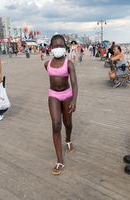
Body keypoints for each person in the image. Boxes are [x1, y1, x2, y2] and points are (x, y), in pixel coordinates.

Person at [44, 34, 78, 175]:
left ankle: (68, 139)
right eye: (55, 46)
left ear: (65, 47)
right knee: (56, 124)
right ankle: (59, 159)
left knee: (67, 123)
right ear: (51, 48)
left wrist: (74, 100)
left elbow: (74, 83)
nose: (58, 48)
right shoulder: (47, 64)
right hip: (53, 95)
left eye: (61, 46)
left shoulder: (69, 63)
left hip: (67, 95)